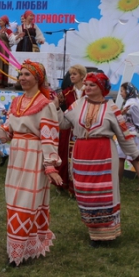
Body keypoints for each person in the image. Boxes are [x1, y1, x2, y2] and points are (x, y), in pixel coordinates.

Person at [0, 60, 62, 266]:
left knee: (27, 202)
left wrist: (50, 165)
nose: (22, 78)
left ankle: (20, 251)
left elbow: (49, 137)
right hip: (17, 157)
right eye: (21, 74)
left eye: (27, 74)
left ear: (38, 78)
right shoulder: (16, 103)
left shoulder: (46, 105)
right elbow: (8, 132)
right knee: (14, 200)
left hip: (34, 156)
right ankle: (18, 247)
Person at [59, 73, 139, 247]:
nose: (86, 88)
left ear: (102, 88)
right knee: (86, 194)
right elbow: (63, 124)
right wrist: (55, 108)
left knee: (104, 194)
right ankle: (93, 231)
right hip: (81, 154)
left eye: (92, 85)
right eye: (85, 84)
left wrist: (137, 155)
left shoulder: (112, 108)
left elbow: (124, 136)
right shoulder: (77, 105)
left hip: (104, 154)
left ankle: (107, 234)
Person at [57, 64, 87, 194]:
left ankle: (82, 185)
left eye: (75, 74)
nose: (72, 76)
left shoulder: (89, 90)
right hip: (69, 129)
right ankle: (65, 184)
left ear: (82, 75)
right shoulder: (67, 92)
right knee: (65, 156)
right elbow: (61, 108)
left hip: (86, 128)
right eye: (71, 74)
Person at [118, 83, 139, 192]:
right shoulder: (132, 102)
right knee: (125, 159)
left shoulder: (131, 104)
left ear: (127, 92)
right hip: (128, 134)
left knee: (131, 160)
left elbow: (138, 122)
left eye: (122, 91)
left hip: (130, 135)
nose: (121, 93)